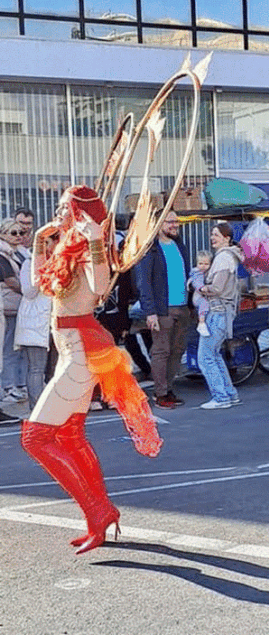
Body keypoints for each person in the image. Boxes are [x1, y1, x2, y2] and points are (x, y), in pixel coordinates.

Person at [22, 185, 162, 554]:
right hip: (72, 349)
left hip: (81, 351)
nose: (59, 213)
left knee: (35, 439)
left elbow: (101, 287)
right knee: (70, 437)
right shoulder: (67, 244)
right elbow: (37, 286)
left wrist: (97, 240)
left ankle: (98, 511)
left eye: (65, 208)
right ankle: (99, 515)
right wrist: (39, 241)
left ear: (79, 213)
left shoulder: (87, 246)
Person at [133, 211, 190, 409]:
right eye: (170, 221)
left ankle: (168, 388)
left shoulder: (178, 244)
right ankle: (160, 393)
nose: (175, 225)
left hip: (182, 307)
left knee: (177, 350)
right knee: (161, 351)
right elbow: (144, 282)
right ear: (158, 223)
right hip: (162, 309)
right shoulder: (150, 249)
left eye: (176, 221)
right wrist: (150, 312)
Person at [195, 223, 243, 410]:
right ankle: (229, 394)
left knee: (205, 356)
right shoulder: (228, 256)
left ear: (226, 238)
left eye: (216, 234)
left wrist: (199, 287)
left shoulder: (223, 258)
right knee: (214, 354)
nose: (212, 237)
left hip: (217, 312)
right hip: (222, 312)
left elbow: (217, 289)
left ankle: (221, 397)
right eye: (212, 234)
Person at [14, 233, 53, 410]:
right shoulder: (30, 263)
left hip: (55, 320)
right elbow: (28, 291)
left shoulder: (60, 262)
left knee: (55, 367)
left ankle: (54, 406)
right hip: (36, 321)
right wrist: (42, 273)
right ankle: (36, 408)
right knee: (36, 367)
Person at [0, 218, 27, 402]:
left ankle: (20, 383)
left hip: (22, 305)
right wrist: (27, 290)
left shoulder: (22, 253)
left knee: (21, 348)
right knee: (9, 348)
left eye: (21, 233)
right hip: (9, 305)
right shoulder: (3, 255)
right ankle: (9, 386)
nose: (18, 236)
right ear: (3, 234)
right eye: (13, 233)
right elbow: (10, 279)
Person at [188, 250, 212, 337]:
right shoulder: (197, 273)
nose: (203, 266)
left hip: (203, 295)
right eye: (200, 263)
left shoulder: (207, 273)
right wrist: (201, 288)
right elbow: (196, 282)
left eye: (206, 264)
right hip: (198, 296)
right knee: (204, 304)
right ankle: (201, 323)